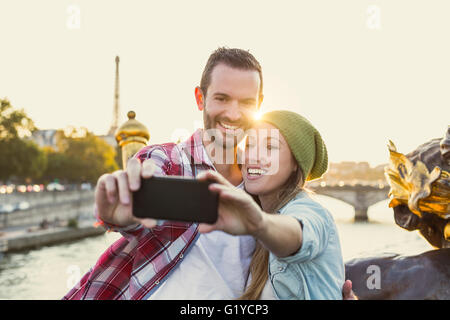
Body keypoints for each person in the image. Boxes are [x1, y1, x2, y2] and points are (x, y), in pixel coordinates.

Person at [63, 47, 354, 300]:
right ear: (200, 99)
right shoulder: (167, 161)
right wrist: (121, 215)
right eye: (222, 98)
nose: (233, 113)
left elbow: (301, 241)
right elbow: (136, 206)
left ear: (259, 105)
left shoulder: (261, 188)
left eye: (246, 103)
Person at [196, 110, 345, 299]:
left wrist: (259, 224)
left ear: (295, 164)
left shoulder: (310, 211)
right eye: (249, 145)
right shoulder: (253, 219)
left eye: (270, 147)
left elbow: (300, 232)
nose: (253, 157)